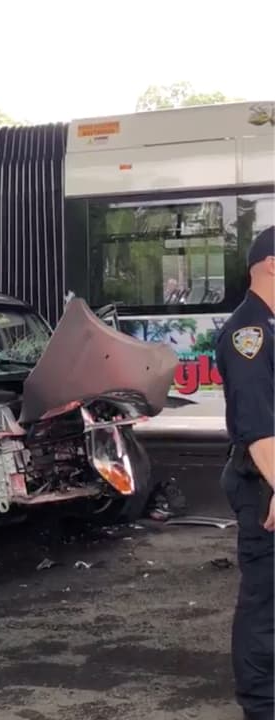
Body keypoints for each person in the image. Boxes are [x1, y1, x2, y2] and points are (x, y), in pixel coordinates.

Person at [214, 226, 275, 720]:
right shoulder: (247, 333)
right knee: (266, 604)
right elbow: (258, 428)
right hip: (263, 483)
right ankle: (262, 707)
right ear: (272, 265)